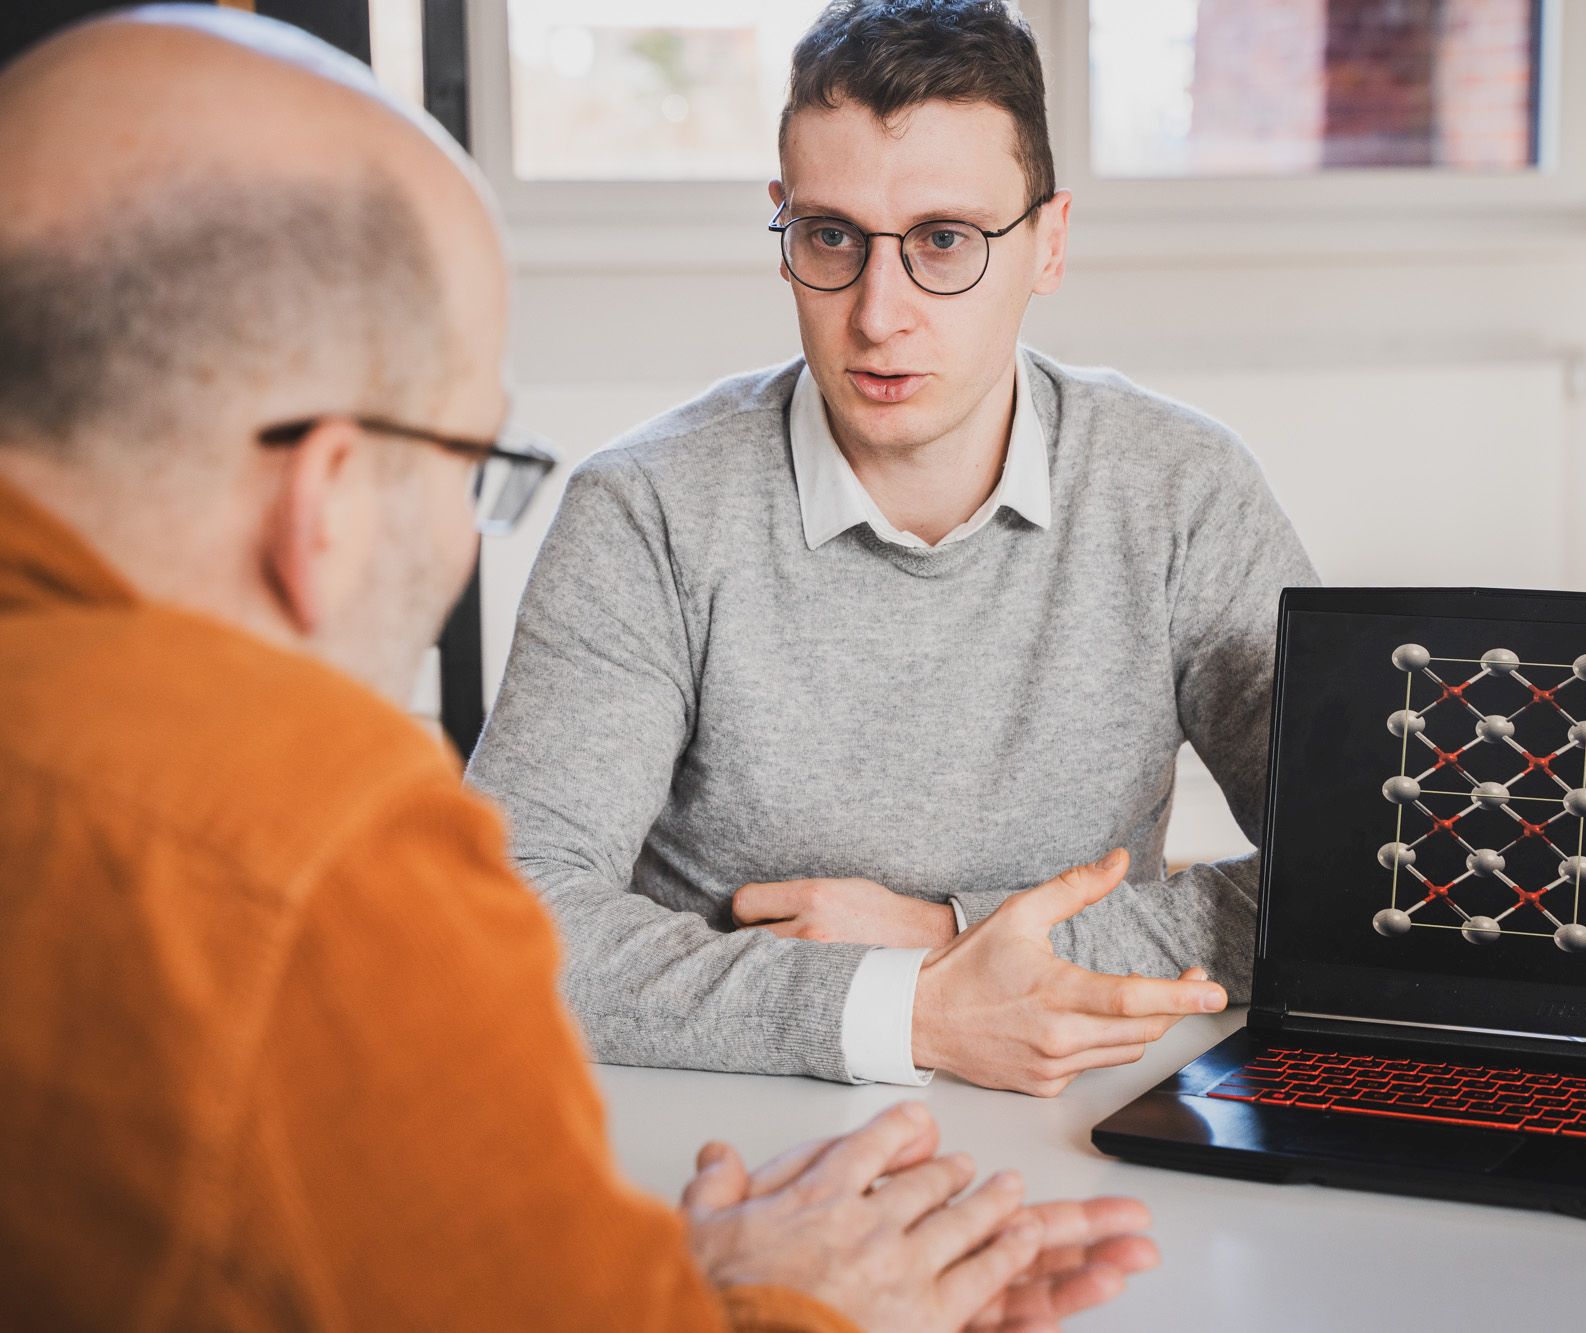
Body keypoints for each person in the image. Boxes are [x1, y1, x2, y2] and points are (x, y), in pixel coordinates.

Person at [0, 8, 1154, 1328]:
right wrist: (779, 1305)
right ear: (326, 499)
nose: (880, 313)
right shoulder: (308, 860)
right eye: (476, 465)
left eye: (943, 241)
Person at [466, 0, 1318, 1095]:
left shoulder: (1180, 491)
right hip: (726, 1114)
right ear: (783, 230)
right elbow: (503, 911)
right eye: (831, 236)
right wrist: (906, 1007)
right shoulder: (644, 510)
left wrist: (950, 936)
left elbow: (1359, 880)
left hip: (1078, 1110)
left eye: (943, 241)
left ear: (1049, 243)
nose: (878, 314)